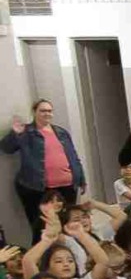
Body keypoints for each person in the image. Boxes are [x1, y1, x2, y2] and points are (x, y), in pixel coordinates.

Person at [2, 99, 87, 238]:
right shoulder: (27, 131)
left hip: (67, 187)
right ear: (34, 112)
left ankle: (67, 254)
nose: (47, 114)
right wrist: (15, 134)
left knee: (66, 223)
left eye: (49, 111)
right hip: (37, 188)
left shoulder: (61, 132)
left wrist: (81, 179)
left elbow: (74, 157)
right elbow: (6, 148)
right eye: (43, 110)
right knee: (41, 227)